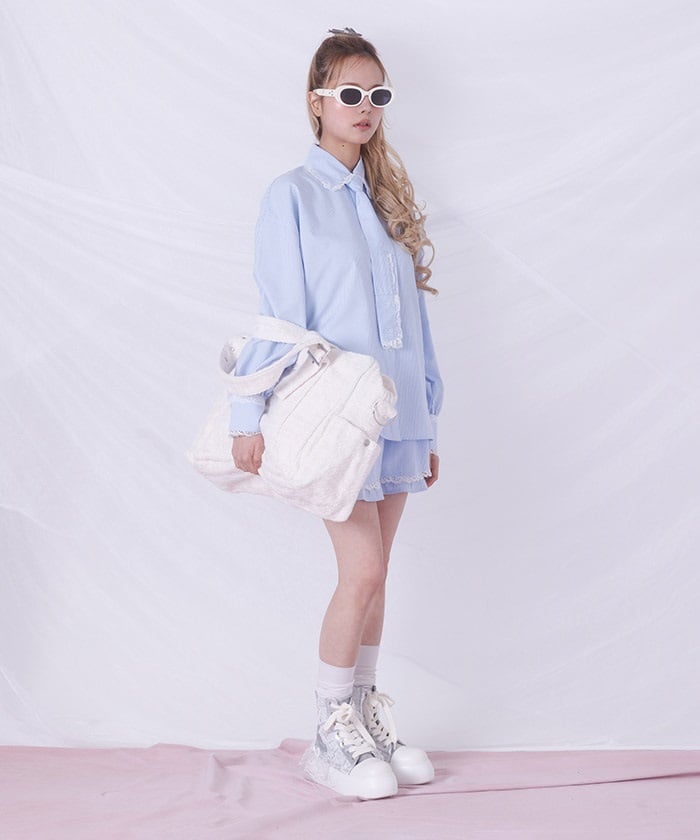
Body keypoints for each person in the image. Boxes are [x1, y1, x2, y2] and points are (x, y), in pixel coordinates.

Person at [229, 28, 444, 799]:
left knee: (379, 580)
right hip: (337, 414)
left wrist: (428, 415)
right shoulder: (291, 194)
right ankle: (329, 729)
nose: (366, 106)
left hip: (399, 414)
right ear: (317, 101)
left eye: (378, 94)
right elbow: (279, 315)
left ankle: (364, 713)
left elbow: (416, 323)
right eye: (351, 93)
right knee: (364, 570)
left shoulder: (387, 201)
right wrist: (246, 411)